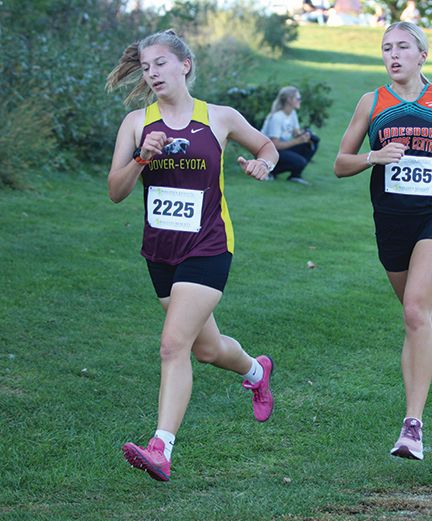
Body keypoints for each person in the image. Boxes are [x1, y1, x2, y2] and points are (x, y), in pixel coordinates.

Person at [105, 29, 280, 482]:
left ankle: (161, 447)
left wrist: (263, 163)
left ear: (184, 65)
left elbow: (267, 146)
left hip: (208, 245)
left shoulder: (219, 118)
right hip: (160, 251)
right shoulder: (136, 123)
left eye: (161, 63)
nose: (152, 73)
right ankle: (256, 371)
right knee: (206, 349)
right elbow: (115, 192)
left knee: (172, 345)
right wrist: (140, 158)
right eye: (146, 67)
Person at [333, 22, 432, 460]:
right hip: (391, 224)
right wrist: (373, 156)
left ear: (422, 55)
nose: (394, 54)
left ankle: (412, 427)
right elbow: (340, 163)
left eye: (403, 47)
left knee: (414, 311)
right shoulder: (372, 102)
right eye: (387, 47)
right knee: (426, 313)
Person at [261, 86, 319, 186]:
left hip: (280, 149)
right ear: (289, 100)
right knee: (300, 161)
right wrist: (298, 141)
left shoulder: (292, 113)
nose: (300, 101)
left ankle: (295, 175)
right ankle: (269, 171)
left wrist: (305, 135)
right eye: (298, 98)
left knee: (313, 142)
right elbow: (274, 145)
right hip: (268, 152)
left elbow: (295, 132)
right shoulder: (277, 117)